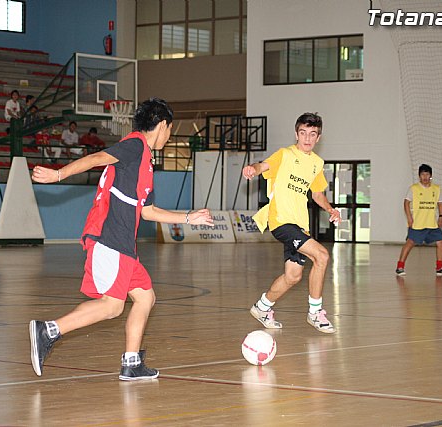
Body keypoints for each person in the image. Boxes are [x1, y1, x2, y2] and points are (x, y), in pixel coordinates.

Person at [29, 97, 214, 380]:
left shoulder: (144, 161)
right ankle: (49, 330)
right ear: (163, 125)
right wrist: (59, 175)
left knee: (145, 297)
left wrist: (189, 218)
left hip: (123, 244)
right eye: (170, 129)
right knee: (112, 306)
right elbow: (97, 158)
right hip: (111, 238)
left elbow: (148, 212)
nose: (169, 135)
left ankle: (131, 363)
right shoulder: (135, 145)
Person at [242, 112, 340, 334]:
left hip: (300, 225)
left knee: (293, 276)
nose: (307, 138)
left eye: (312, 134)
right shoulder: (285, 155)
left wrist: (330, 209)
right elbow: (262, 166)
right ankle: (315, 312)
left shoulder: (316, 163)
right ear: (296, 134)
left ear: (318, 137)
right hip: (281, 221)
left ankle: (262, 307)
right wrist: (252, 169)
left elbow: (317, 194)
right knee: (322, 255)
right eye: (303, 133)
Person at [395, 164, 442, 277]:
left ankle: (440, 268)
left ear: (431, 176)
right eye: (422, 174)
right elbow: (406, 203)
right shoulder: (414, 188)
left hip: (432, 223)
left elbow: (440, 203)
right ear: (419, 176)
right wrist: (409, 218)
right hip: (418, 223)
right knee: (410, 243)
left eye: (427, 174)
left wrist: (441, 217)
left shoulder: (436, 189)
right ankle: (400, 267)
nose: (425, 177)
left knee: (441, 242)